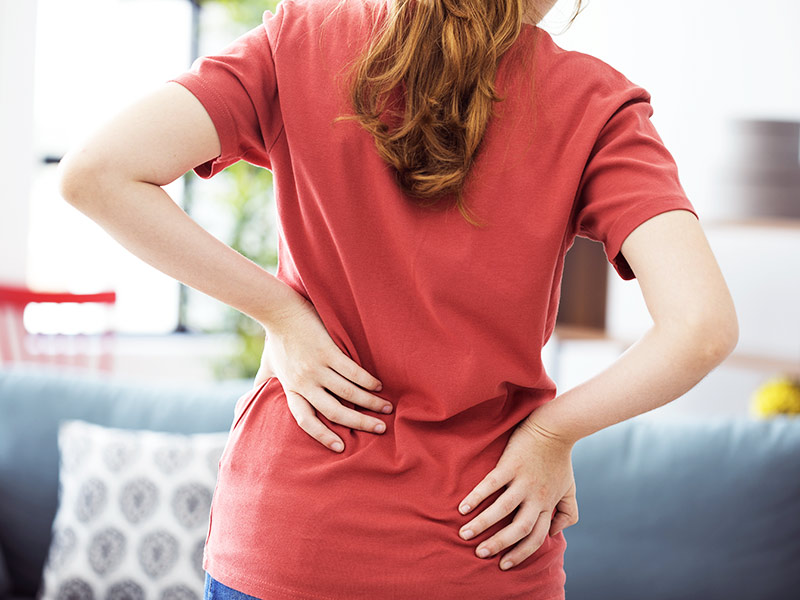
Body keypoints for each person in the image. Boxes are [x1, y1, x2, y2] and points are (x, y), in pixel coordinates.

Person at [57, 0, 739, 598]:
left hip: (290, 539)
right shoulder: (597, 105)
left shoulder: (299, 39)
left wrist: (281, 313)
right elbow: (701, 326)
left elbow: (97, 173)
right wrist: (550, 433)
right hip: (482, 545)